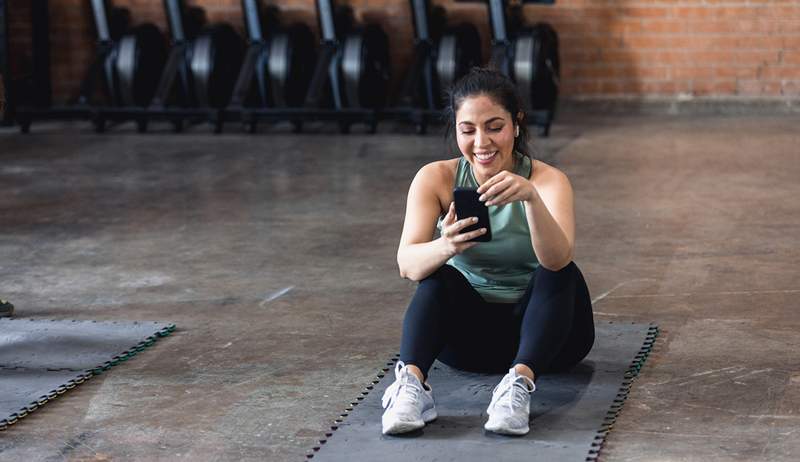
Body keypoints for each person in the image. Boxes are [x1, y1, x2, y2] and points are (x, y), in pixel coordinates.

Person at [381, 67, 595, 436]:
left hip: (551, 340)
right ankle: (411, 385)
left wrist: (530, 199)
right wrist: (447, 244)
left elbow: (557, 259)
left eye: (494, 127)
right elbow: (408, 266)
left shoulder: (548, 180)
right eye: (468, 130)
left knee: (561, 273)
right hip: (469, 344)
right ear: (457, 130)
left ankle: (518, 385)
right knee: (438, 277)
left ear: (516, 124)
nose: (482, 142)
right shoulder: (436, 178)